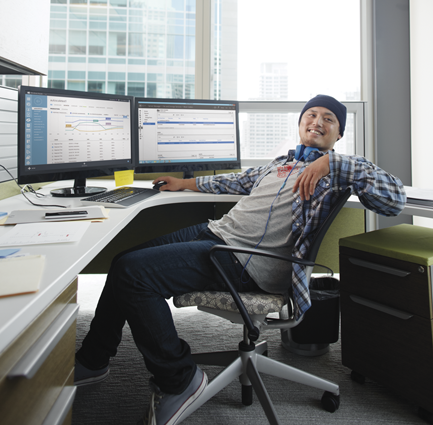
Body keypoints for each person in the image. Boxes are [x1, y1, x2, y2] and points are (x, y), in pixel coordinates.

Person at [74, 94, 406, 425]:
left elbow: (394, 198)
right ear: (301, 122)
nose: (317, 122)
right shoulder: (282, 164)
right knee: (124, 260)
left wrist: (331, 162)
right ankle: (94, 359)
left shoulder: (337, 173)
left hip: (244, 260)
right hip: (215, 234)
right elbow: (234, 180)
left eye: (329, 119)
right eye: (312, 114)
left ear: (339, 133)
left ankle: (179, 379)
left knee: (134, 275)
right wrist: (184, 183)